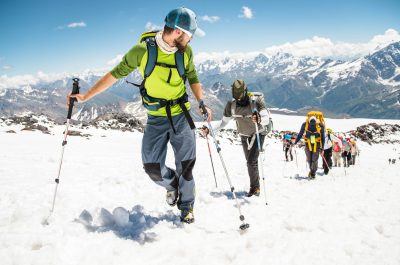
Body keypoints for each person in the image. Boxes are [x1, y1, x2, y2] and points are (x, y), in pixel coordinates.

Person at [67, 7, 211, 224]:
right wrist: (86, 96)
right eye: (190, 35)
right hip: (156, 117)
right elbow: (115, 74)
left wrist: (201, 101)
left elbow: (192, 75)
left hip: (181, 115)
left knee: (187, 166)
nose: (191, 40)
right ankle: (172, 184)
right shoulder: (142, 51)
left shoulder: (186, 53)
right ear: (179, 33)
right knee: (152, 167)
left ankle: (187, 206)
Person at [202, 80, 272, 197]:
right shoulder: (231, 105)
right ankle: (255, 182)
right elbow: (223, 123)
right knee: (250, 162)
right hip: (244, 136)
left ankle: (255, 188)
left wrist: (259, 118)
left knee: (251, 162)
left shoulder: (256, 101)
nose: (238, 98)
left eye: (240, 95)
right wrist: (210, 131)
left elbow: (266, 119)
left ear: (245, 91)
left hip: (258, 134)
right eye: (236, 95)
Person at [294, 114, 325, 179]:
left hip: (315, 144)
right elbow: (300, 134)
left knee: (314, 159)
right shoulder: (306, 124)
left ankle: (313, 173)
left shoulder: (320, 125)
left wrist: (322, 148)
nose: (312, 125)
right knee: (310, 159)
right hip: (309, 143)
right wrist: (295, 142)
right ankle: (312, 171)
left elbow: (322, 137)